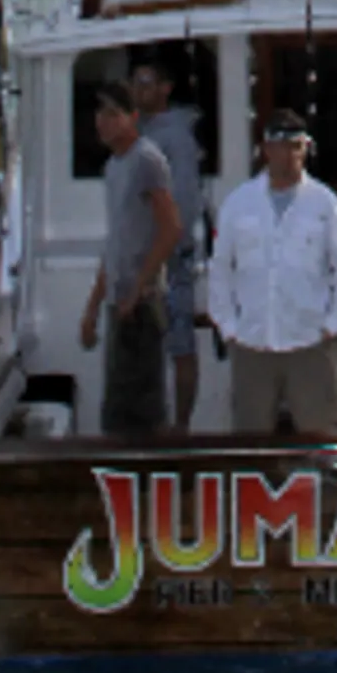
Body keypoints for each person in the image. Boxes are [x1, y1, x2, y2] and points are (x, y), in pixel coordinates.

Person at [207, 110, 337, 435]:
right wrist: (229, 326)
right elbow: (220, 269)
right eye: (282, 146)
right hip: (252, 343)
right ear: (267, 150)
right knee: (250, 445)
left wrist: (334, 323)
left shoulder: (326, 205)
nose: (291, 154)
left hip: (309, 343)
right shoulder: (238, 203)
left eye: (297, 146)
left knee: (326, 442)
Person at [78, 76, 183, 438]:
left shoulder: (147, 160)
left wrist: (140, 287)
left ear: (132, 117)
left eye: (112, 114)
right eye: (100, 113)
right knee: (117, 407)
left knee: (144, 406)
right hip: (118, 301)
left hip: (142, 302)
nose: (102, 121)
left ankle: (152, 475)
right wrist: (93, 307)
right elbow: (116, 244)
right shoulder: (113, 167)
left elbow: (171, 228)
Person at [130, 56, 204, 428]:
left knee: (180, 345)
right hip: (139, 257)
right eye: (136, 82)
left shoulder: (175, 136)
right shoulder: (135, 132)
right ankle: (145, 422)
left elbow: (186, 202)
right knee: (142, 346)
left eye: (147, 82)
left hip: (171, 261)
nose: (140, 90)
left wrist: (166, 252)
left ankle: (181, 426)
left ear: (165, 88)